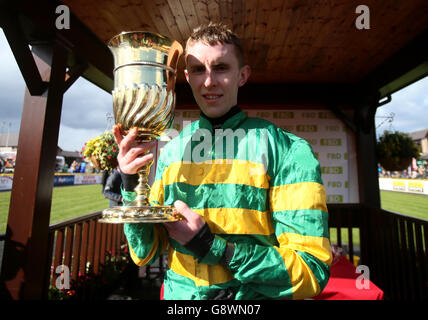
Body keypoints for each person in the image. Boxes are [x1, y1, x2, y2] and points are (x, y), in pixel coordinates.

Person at [113, 23, 332, 300]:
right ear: (187, 77)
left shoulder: (288, 150)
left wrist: (212, 247)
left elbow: (311, 270)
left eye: (221, 68)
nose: (208, 82)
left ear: (242, 75)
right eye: (198, 70)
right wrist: (131, 183)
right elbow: (144, 253)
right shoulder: (171, 151)